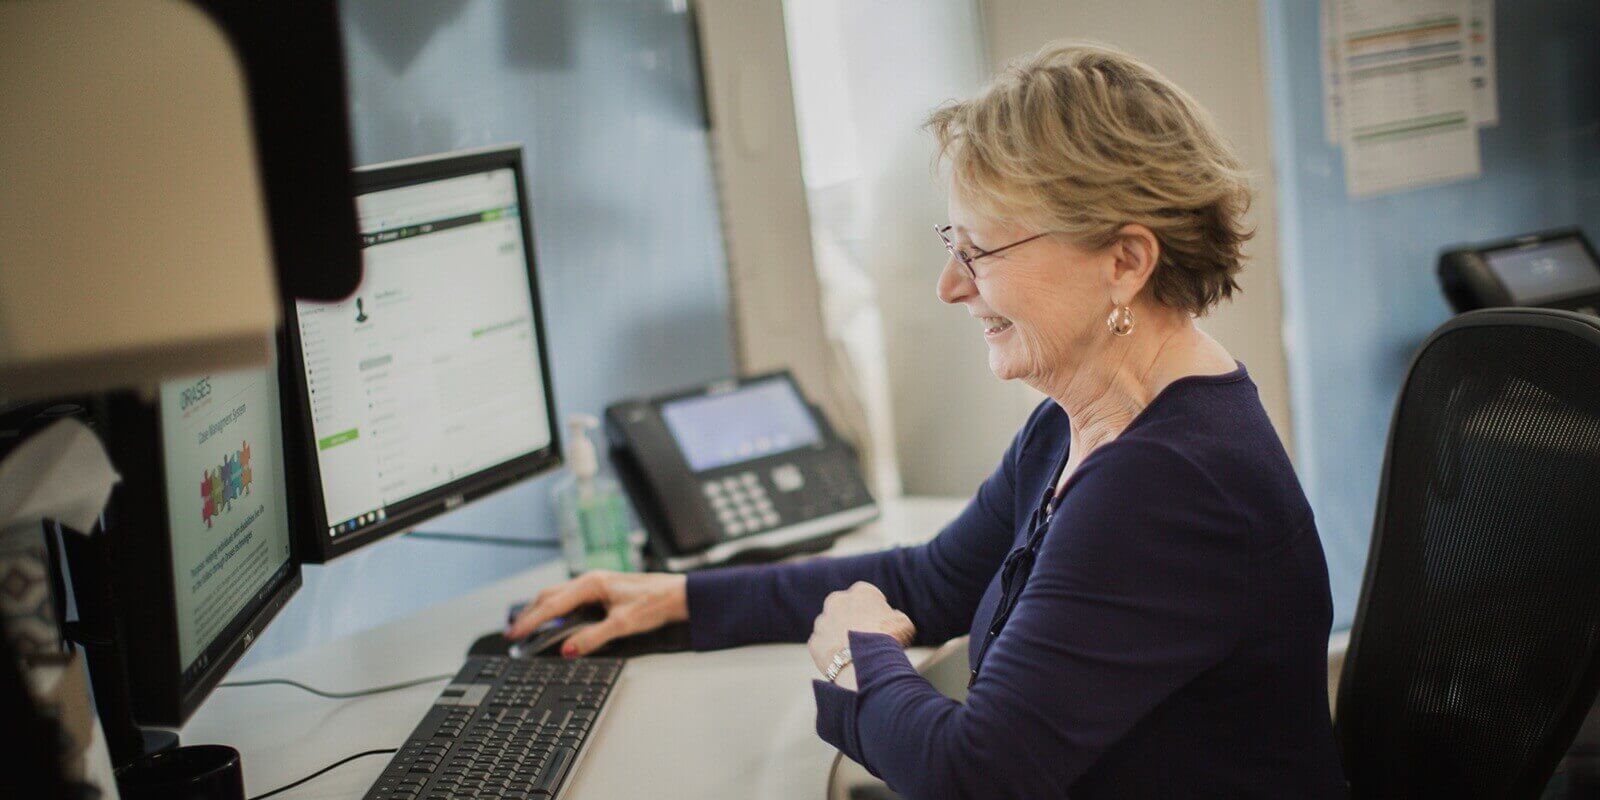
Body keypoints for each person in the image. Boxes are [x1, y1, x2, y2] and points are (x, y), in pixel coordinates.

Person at [509, 42, 1347, 798]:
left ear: (1124, 261)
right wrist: (680, 600)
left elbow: (972, 774)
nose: (951, 286)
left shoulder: (1170, 485)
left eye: (980, 251)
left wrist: (855, 654)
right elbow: (936, 581)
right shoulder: (1086, 420)